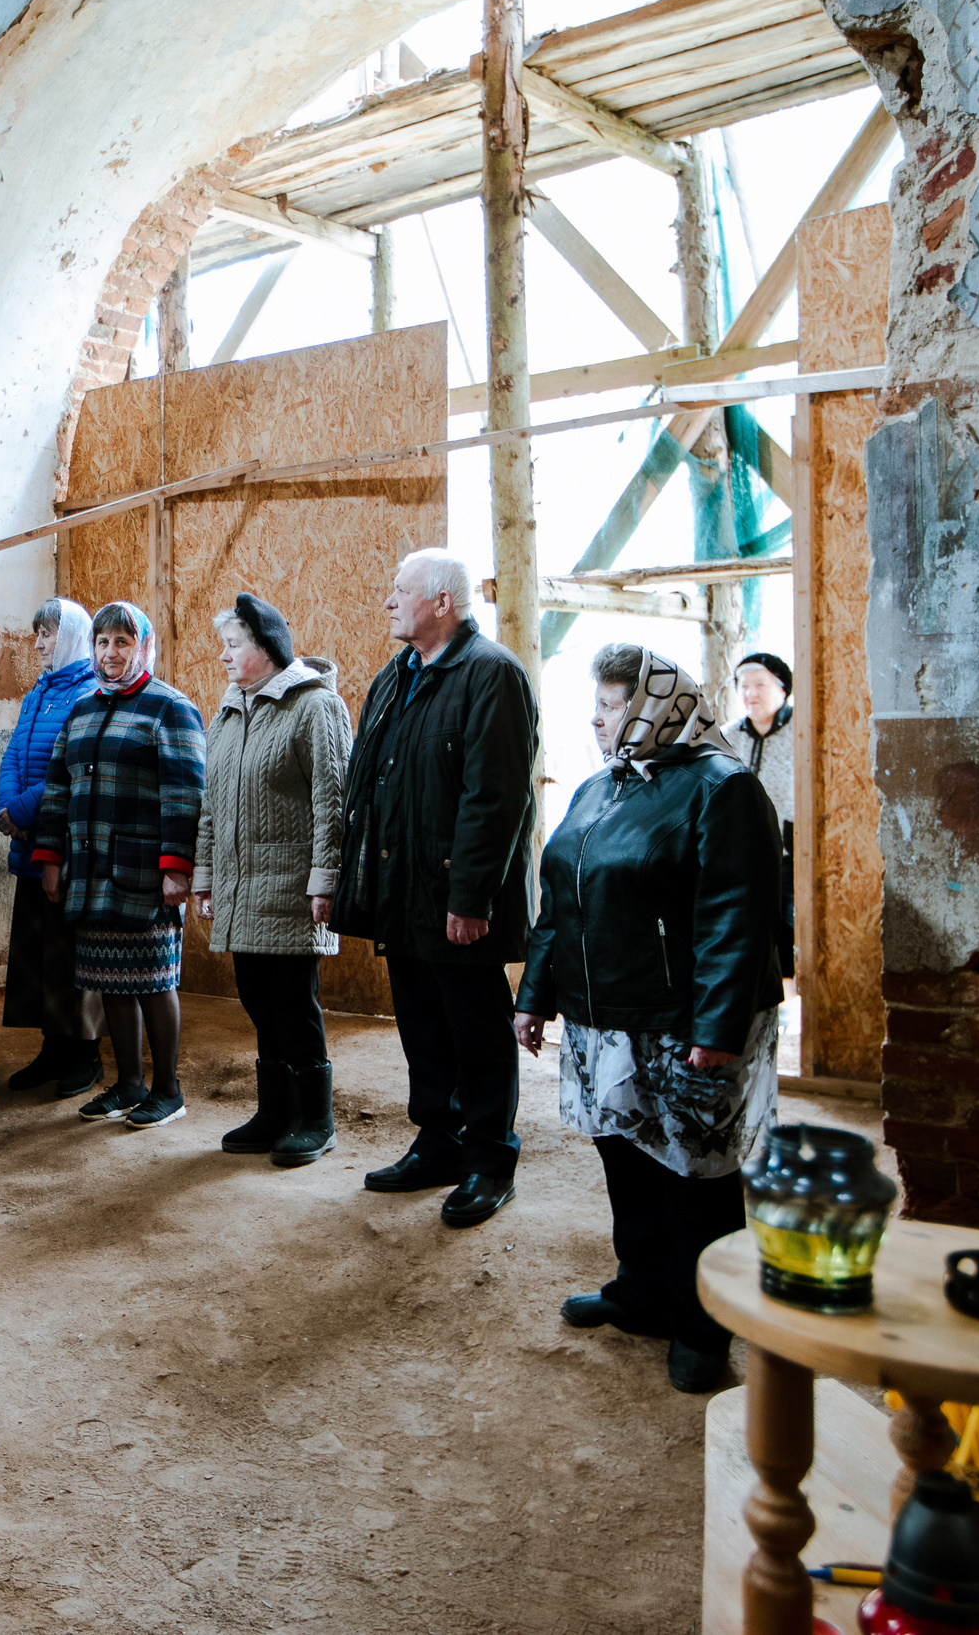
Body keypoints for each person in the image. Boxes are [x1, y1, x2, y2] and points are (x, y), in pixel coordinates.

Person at [514, 644, 785, 1394]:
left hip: (684, 1023)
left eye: (609, 706)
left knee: (694, 1170)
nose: (595, 720)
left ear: (653, 708)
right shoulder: (600, 788)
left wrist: (717, 1028)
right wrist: (535, 995)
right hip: (605, 1019)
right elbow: (558, 901)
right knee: (625, 1157)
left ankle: (703, 1324)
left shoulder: (722, 788)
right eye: (597, 705)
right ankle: (641, 1289)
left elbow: (739, 920)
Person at [330, 548, 537, 1228]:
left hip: (457, 897)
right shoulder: (396, 677)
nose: (389, 601)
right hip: (403, 889)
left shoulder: (492, 675)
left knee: (475, 1028)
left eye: (401, 591)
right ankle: (439, 1140)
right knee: (422, 1024)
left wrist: (471, 898)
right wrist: (347, 877)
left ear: (442, 601)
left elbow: (495, 798)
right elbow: (366, 786)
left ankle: (488, 1158)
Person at [31, 602, 207, 1131]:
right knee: (110, 978)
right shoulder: (82, 707)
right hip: (90, 870)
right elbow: (58, 789)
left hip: (143, 874)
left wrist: (177, 868)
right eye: (103, 643)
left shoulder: (170, 708)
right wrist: (50, 857)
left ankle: (168, 1091)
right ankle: (128, 1083)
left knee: (153, 980)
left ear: (144, 647)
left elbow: (186, 795)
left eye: (122, 643)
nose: (110, 654)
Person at [193, 593, 351, 1167]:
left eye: (233, 645)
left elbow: (332, 801)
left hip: (290, 889)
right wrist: (205, 877)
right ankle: (274, 1110)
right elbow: (212, 804)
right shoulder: (229, 709)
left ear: (265, 648)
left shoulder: (315, 707)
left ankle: (316, 1117)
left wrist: (324, 880)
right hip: (239, 887)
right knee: (259, 1000)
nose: (224, 657)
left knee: (293, 1002)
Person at [0, 598, 107, 1098]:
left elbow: (66, 768)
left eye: (47, 636)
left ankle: (85, 1055)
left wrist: (20, 811)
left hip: (65, 845)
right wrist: (8, 806)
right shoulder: (38, 691)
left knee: (72, 954)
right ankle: (51, 1048)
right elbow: (16, 753)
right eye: (38, 634)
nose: (39, 645)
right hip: (29, 840)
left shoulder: (88, 691)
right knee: (39, 953)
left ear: (70, 639)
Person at [729, 651, 796, 978]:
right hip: (744, 855)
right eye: (743, 685)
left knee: (791, 933)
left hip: (791, 855)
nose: (750, 693)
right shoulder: (728, 736)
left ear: (783, 689)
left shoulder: (803, 731)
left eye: (760, 684)